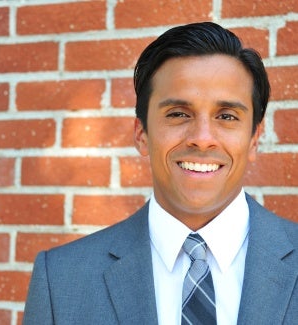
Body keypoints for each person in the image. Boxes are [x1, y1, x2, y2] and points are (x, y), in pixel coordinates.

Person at [23, 22, 297, 325]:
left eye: (226, 116)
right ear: (142, 133)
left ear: (254, 139)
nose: (202, 137)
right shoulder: (61, 280)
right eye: (178, 114)